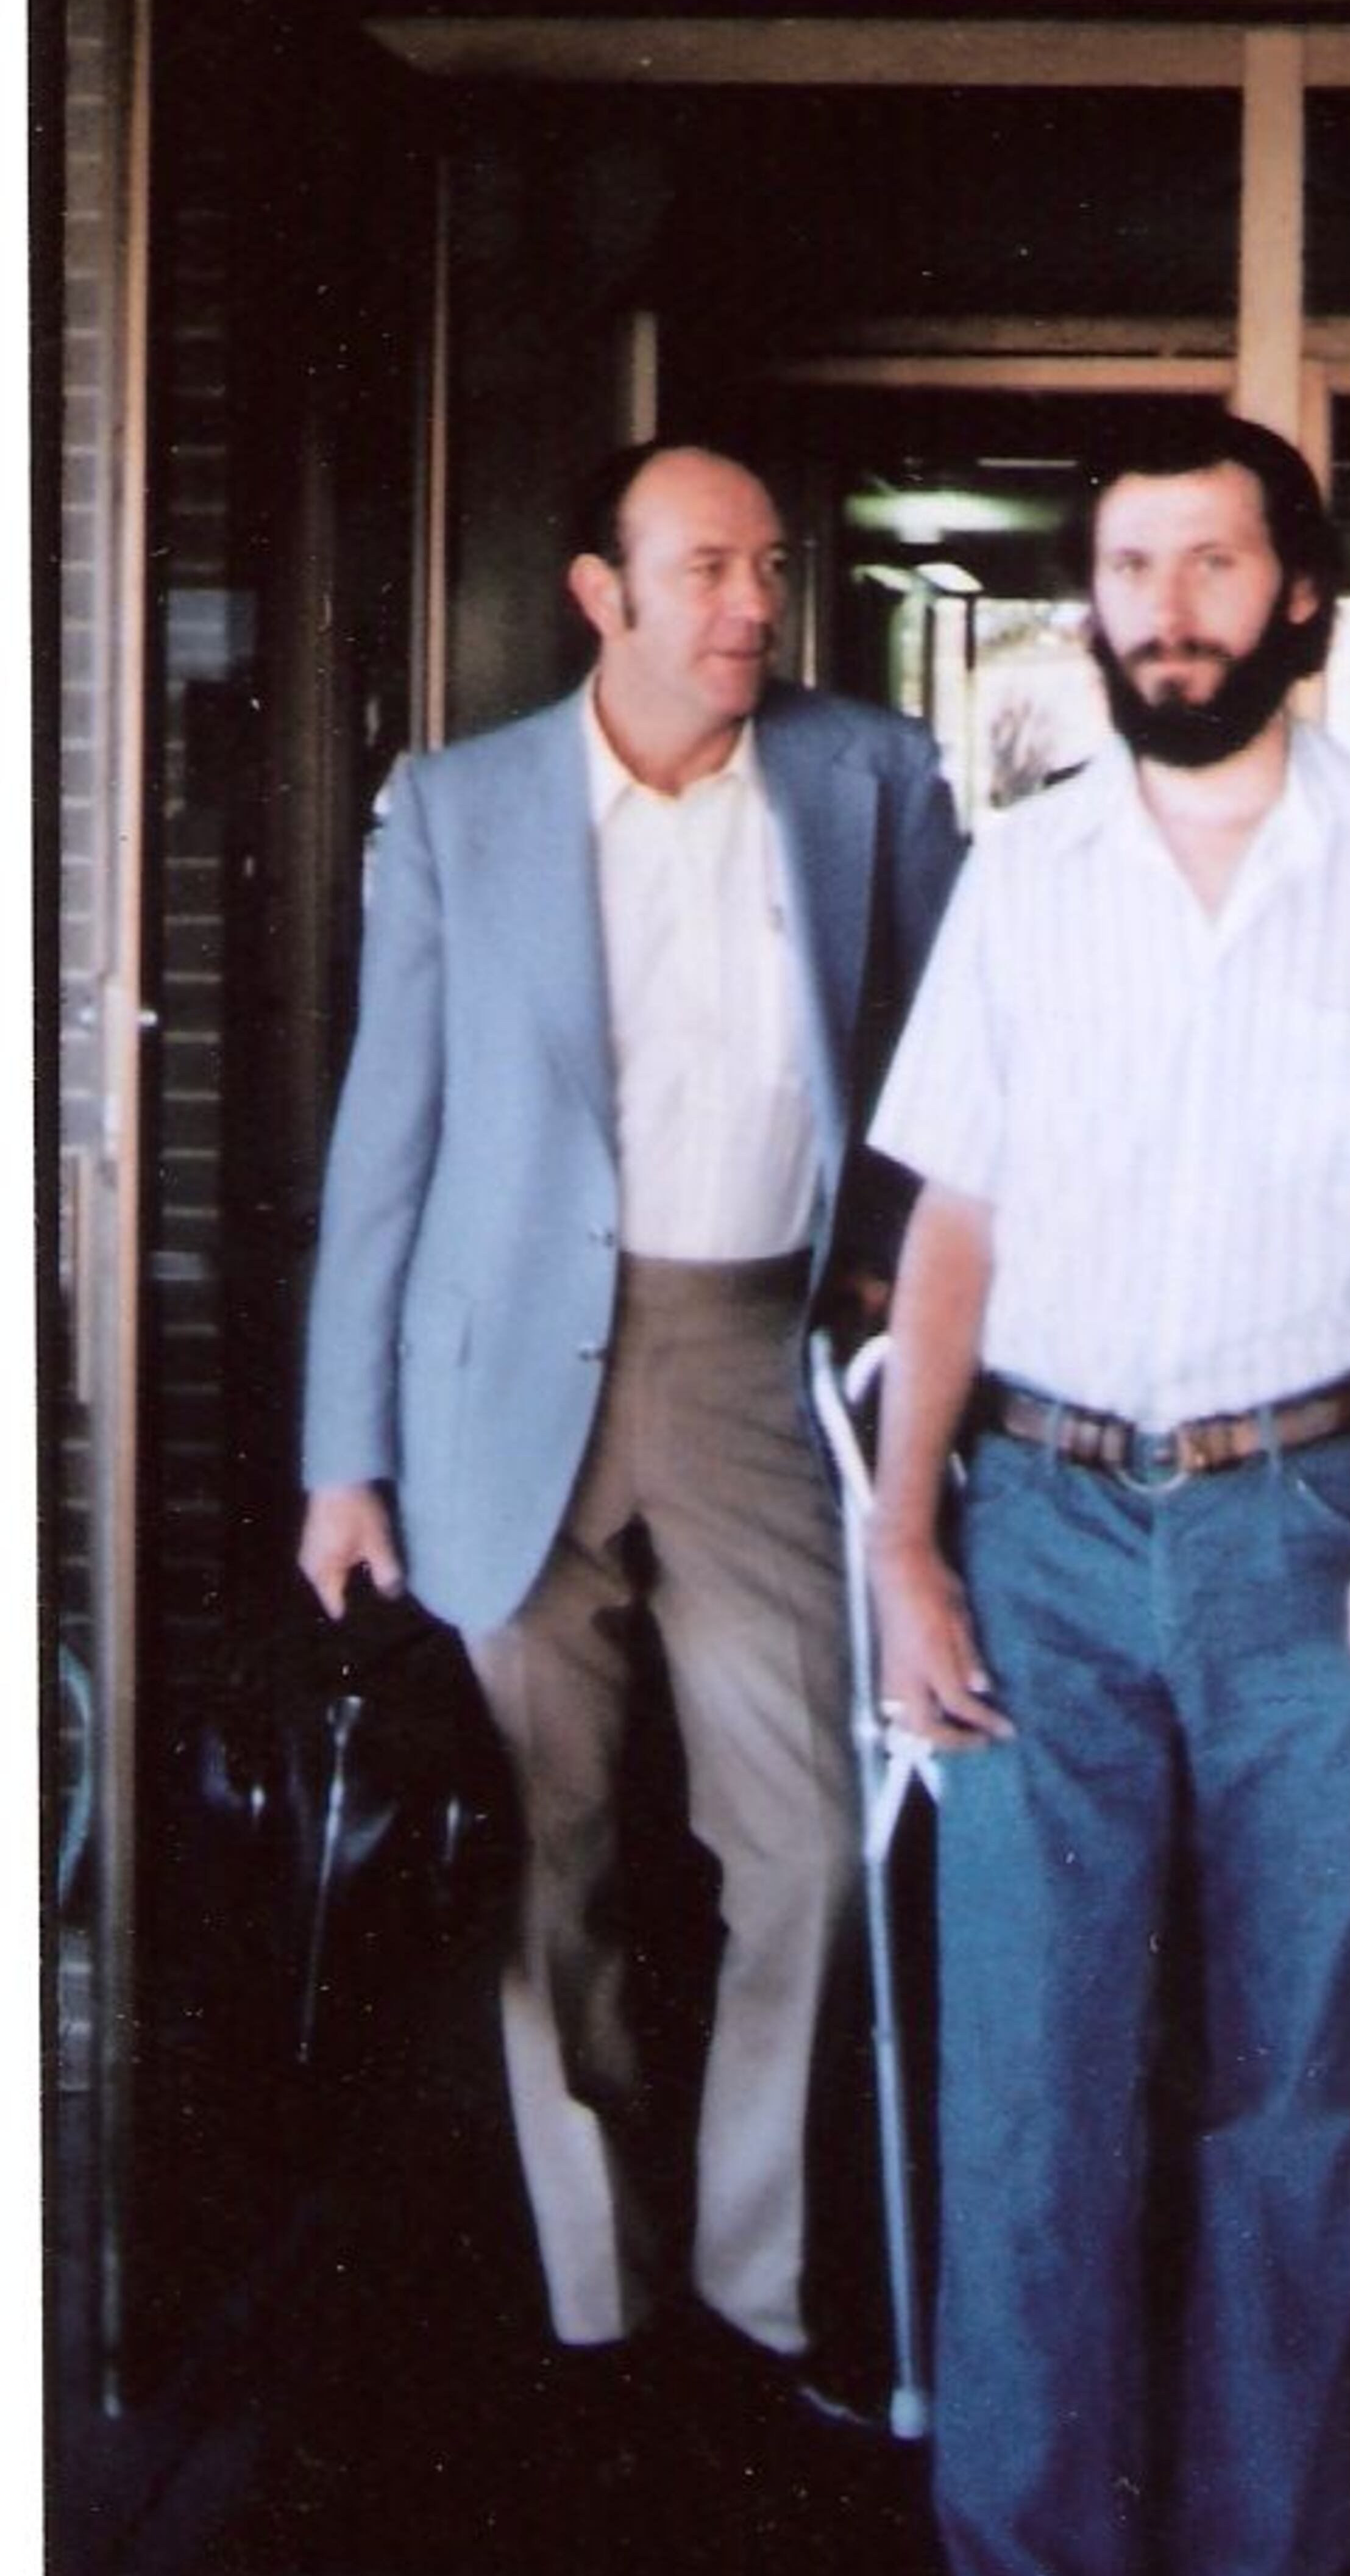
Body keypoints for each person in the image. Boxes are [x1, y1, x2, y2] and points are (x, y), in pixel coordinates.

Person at [862, 409, 1350, 2576]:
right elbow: (954, 1224)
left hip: (1305, 1520)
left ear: (1298, 592)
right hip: (1040, 1524)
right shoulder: (1027, 869)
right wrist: (906, 1541)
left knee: (1286, 2081)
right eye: (1133, 567)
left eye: (1212, 563)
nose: (1168, 609)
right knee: (1031, 2086)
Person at [297, 437, 962, 2420]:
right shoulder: (461, 806)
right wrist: (344, 1456)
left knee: (814, 1840)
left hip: (755, 1350)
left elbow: (950, 1067)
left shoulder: (869, 777)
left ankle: (760, 2288)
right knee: (545, 1845)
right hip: (503, 1371)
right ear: (603, 593)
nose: (753, 602)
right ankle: (601, 2290)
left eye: (770, 564)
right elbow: (388, 1134)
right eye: (706, 568)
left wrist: (887, 1260)